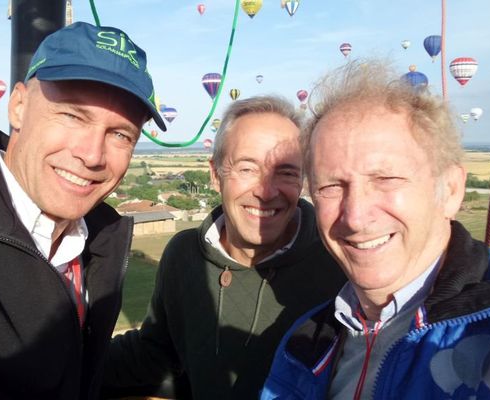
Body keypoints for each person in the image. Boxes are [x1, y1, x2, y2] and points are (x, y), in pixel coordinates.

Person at [0, 22, 166, 399]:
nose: (91, 155)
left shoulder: (100, 243)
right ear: (18, 106)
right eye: (73, 116)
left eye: (121, 135)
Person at [261, 59, 490, 400]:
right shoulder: (304, 344)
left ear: (451, 190)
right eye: (331, 186)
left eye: (386, 178)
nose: (355, 217)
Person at [103, 95, 346, 399]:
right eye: (247, 168)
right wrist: (58, 359)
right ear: (215, 175)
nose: (266, 191)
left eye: (285, 172)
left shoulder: (338, 264)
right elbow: (155, 350)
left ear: (302, 180)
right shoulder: (184, 254)